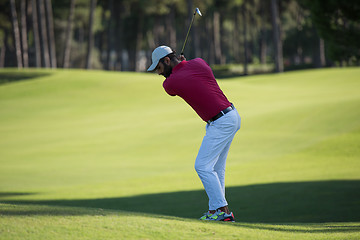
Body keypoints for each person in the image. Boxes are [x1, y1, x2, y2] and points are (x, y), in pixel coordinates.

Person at [147, 46, 241, 222]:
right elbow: (192, 70)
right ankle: (216, 211)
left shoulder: (169, 84)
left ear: (167, 61)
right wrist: (184, 63)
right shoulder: (199, 62)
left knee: (202, 166)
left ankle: (223, 211)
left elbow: (176, 82)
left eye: (159, 68)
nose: (159, 73)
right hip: (230, 116)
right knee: (216, 168)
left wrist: (181, 66)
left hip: (221, 122)